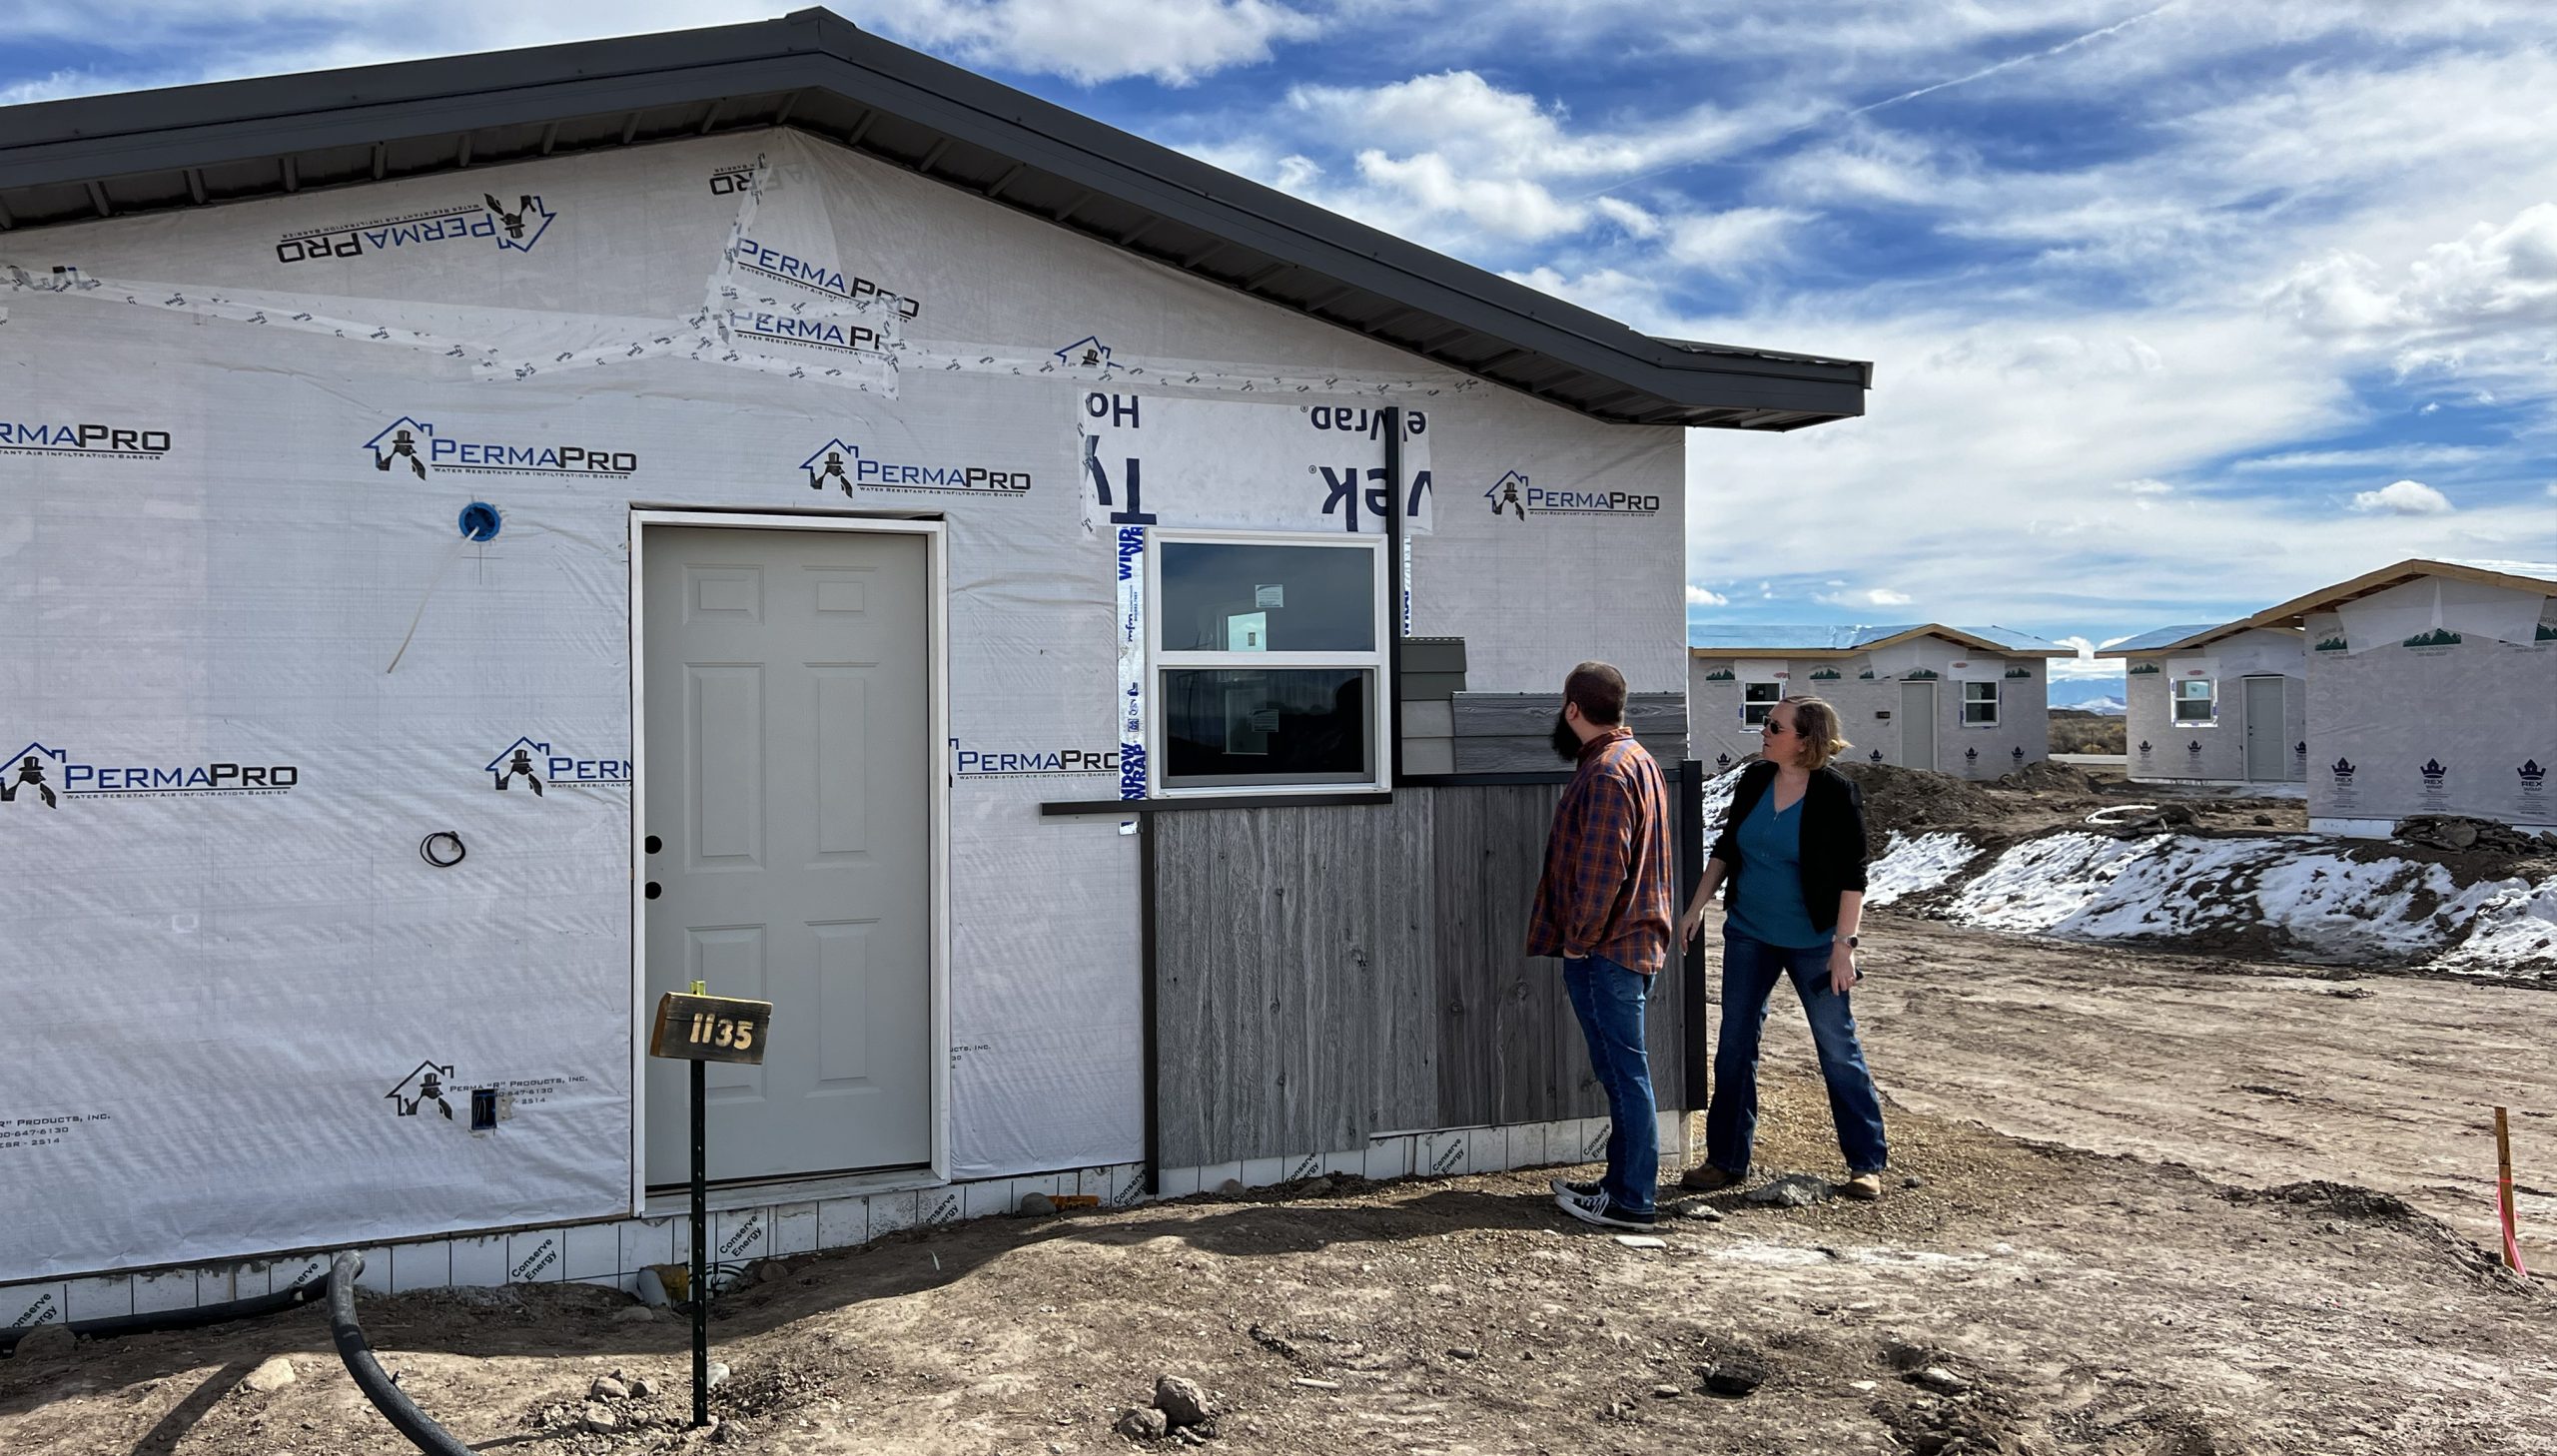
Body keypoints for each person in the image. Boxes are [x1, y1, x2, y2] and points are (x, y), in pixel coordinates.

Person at [1677, 695, 1890, 1200]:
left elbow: (1852, 876)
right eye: (1766, 723)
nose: (1764, 731)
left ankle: (1865, 1162)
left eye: (1774, 725)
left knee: (1837, 1049)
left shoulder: (1837, 793)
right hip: (1750, 934)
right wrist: (1696, 906)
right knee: (1734, 1046)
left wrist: (1844, 946)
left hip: (1815, 943)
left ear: (1806, 739)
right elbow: (1727, 847)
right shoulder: (1754, 780)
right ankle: (1725, 1160)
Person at [1526, 661, 1675, 1230]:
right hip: (1627, 945)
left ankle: (1632, 1200)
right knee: (1621, 1072)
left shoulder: (1608, 773)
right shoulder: (1636, 762)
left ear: (1572, 710)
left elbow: (1602, 872)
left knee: (1625, 1074)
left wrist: (1578, 944)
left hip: (1607, 950)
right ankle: (1619, 1183)